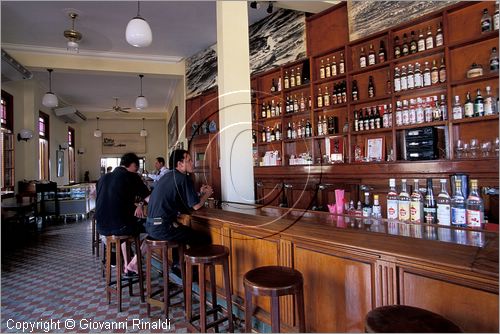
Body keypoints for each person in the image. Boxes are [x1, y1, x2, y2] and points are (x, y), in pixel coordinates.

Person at [126, 149, 212, 275]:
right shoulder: (184, 178)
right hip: (163, 227)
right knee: (203, 238)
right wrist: (207, 194)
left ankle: (178, 266)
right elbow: (196, 206)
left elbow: (180, 199)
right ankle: (191, 274)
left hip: (150, 226)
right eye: (188, 160)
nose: (192, 163)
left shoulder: (167, 176)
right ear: (179, 164)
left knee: (181, 232)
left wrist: (199, 194)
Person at [95, 153, 150, 274]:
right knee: (154, 230)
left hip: (102, 231)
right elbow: (150, 199)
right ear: (134, 165)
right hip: (120, 228)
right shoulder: (132, 176)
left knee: (126, 224)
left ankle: (127, 265)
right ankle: (134, 263)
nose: (137, 171)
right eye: (137, 168)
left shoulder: (103, 178)